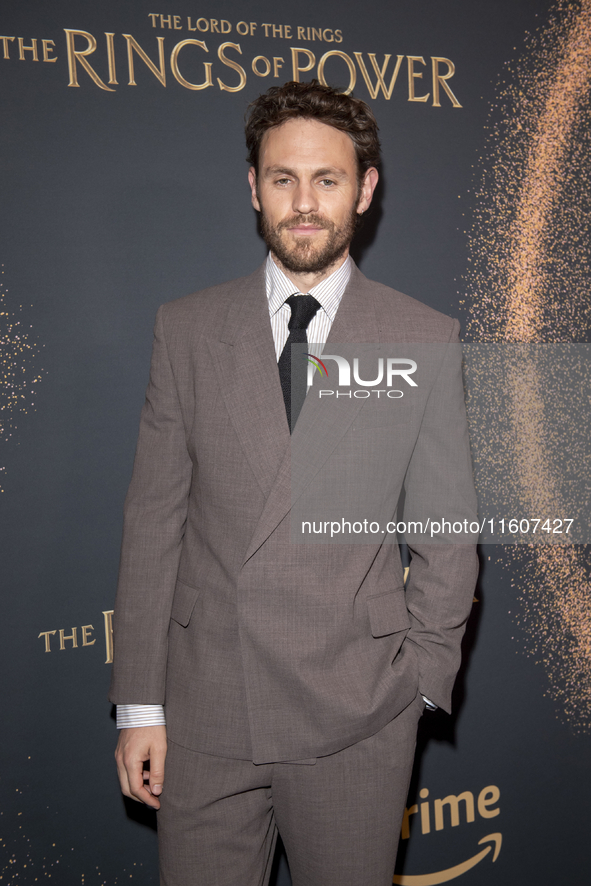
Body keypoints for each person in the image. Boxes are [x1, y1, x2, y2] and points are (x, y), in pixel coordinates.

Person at [110, 80, 478, 886]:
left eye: (327, 179)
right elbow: (153, 523)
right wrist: (140, 704)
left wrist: (415, 688)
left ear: (365, 189)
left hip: (356, 716)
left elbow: (447, 536)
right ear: (253, 187)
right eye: (283, 179)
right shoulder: (187, 328)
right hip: (207, 711)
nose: (304, 204)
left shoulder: (423, 338)